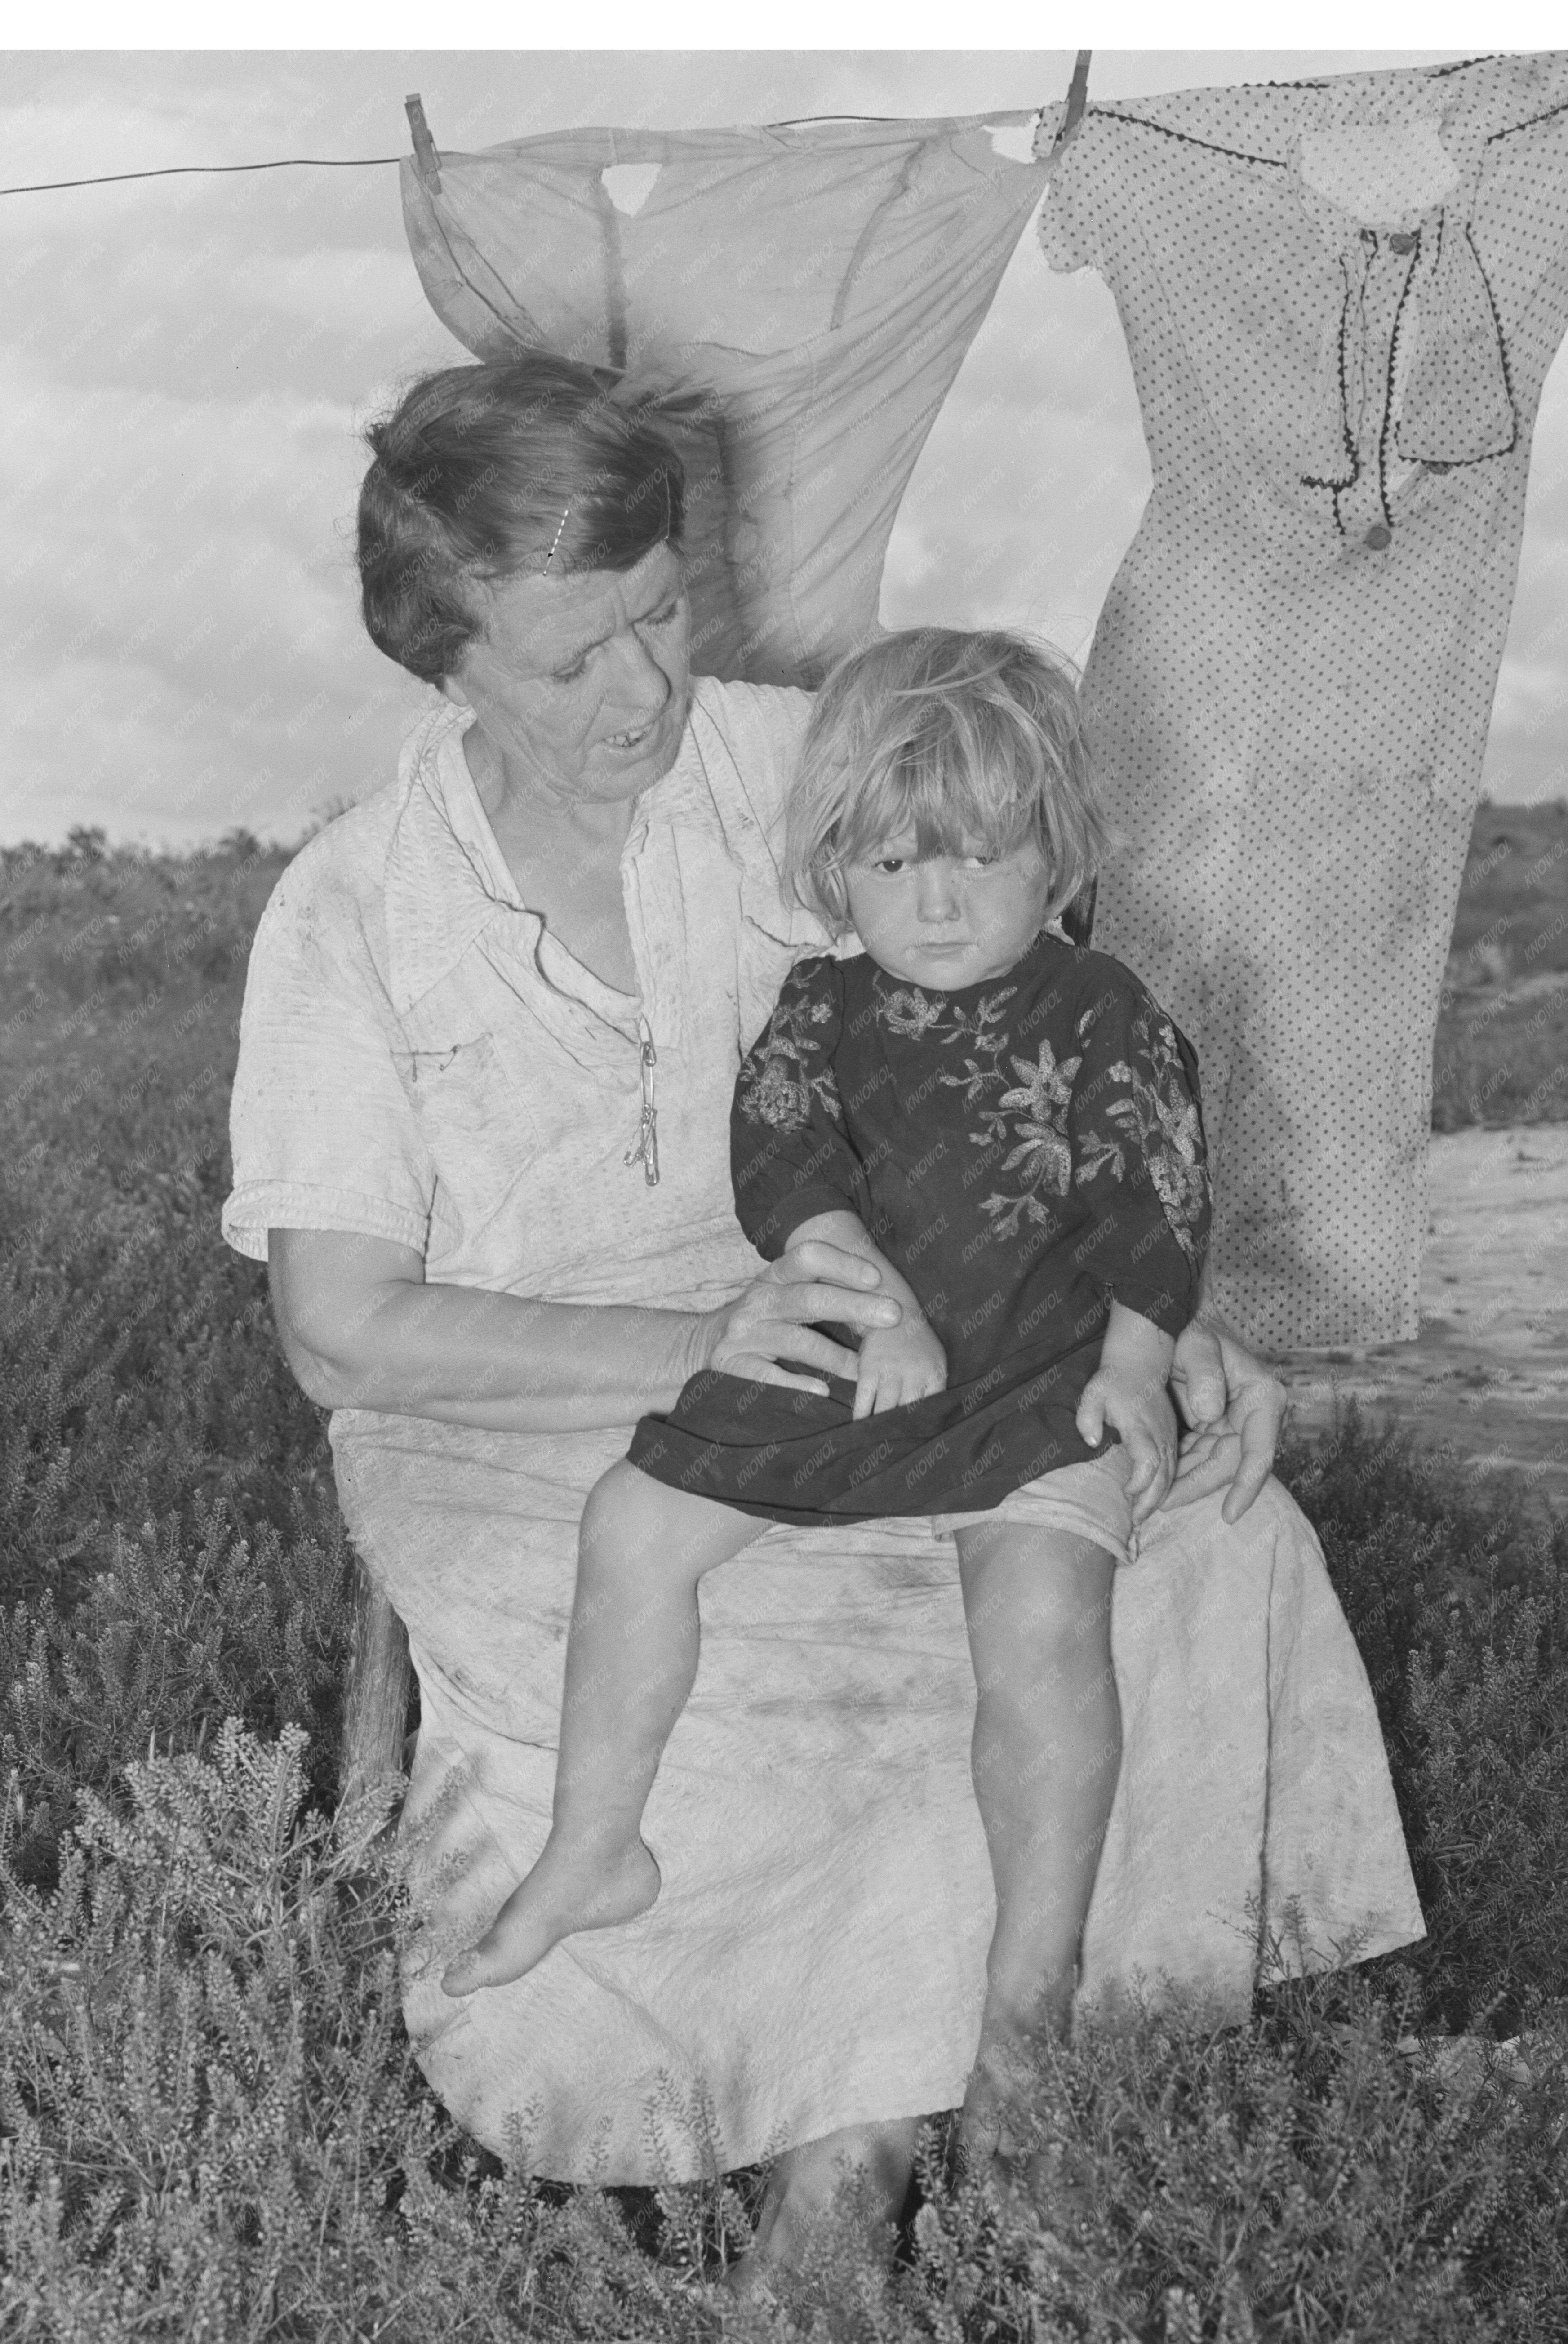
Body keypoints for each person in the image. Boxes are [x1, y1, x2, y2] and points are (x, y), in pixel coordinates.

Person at [224, 353, 1423, 2274]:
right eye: (572, 660)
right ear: (441, 657)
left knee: (1205, 1539)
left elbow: (1034, 1036)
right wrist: (692, 1348)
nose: (642, 692)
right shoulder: (351, 911)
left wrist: (1146, 1315)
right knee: (742, 1665)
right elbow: (341, 1332)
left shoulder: (811, 759)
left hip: (916, 1319)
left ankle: (1006, 2066)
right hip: (502, 1404)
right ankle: (835, 2142)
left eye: (661, 616)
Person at [441, 626, 1214, 2162]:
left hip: (1037, 1368)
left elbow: (1157, 1191)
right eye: (891, 860)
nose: (936, 901)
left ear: (1059, 855)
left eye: (982, 856)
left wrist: (1137, 1361)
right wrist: (867, 1292)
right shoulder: (821, 1003)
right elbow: (784, 1161)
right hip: (855, 1352)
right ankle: (595, 1846)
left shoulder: (1102, 1010)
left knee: (1042, 1620)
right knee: (633, 1521)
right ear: (833, 864)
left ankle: (1029, 1990)